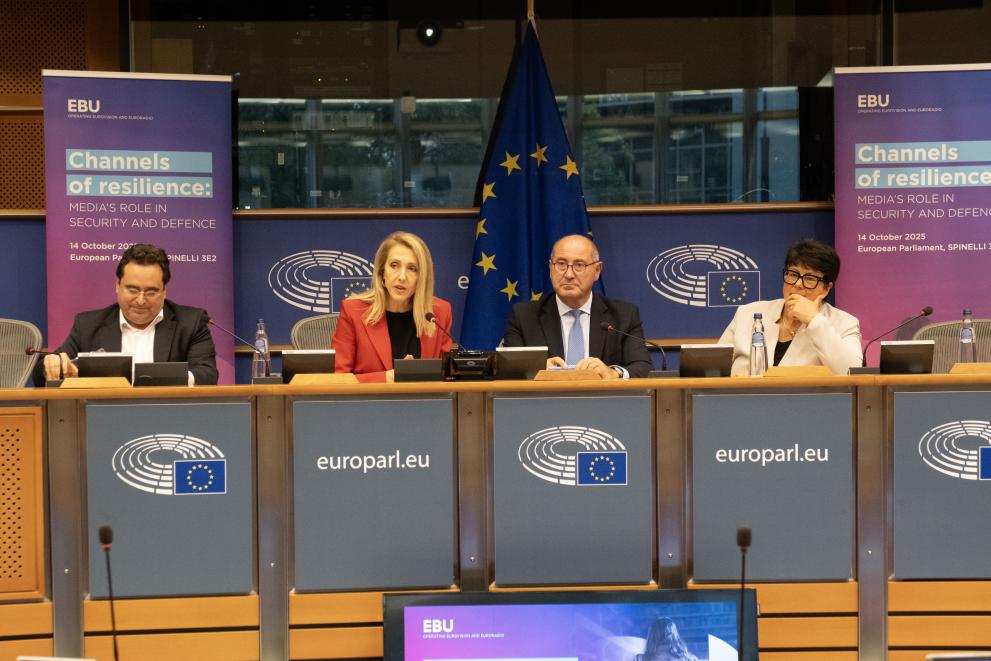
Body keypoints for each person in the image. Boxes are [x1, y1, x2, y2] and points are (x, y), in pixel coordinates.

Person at [35, 243, 218, 386]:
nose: (140, 300)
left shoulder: (191, 323)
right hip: (103, 419)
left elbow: (206, 375)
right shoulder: (89, 325)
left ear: (164, 291)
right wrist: (50, 365)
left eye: (151, 292)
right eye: (132, 290)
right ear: (117, 285)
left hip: (172, 419)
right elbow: (43, 375)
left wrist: (144, 378)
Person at [503, 234, 653, 379]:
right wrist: (537, 369)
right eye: (561, 264)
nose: (569, 274)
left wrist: (613, 373)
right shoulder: (524, 317)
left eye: (579, 265)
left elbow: (642, 366)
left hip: (603, 402)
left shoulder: (623, 316)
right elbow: (509, 371)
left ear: (597, 271)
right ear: (550, 268)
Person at [719, 238, 862, 376]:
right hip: (742, 398)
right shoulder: (747, 313)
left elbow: (851, 373)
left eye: (810, 278)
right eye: (793, 274)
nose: (798, 284)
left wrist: (814, 320)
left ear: (826, 288)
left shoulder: (845, 323)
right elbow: (714, 367)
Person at [332, 231, 452, 382]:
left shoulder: (439, 313)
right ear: (383, 272)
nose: (402, 276)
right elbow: (338, 378)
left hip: (423, 402)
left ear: (422, 277)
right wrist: (386, 378)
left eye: (412, 268)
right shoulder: (353, 311)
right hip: (369, 403)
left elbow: (445, 377)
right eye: (394, 265)